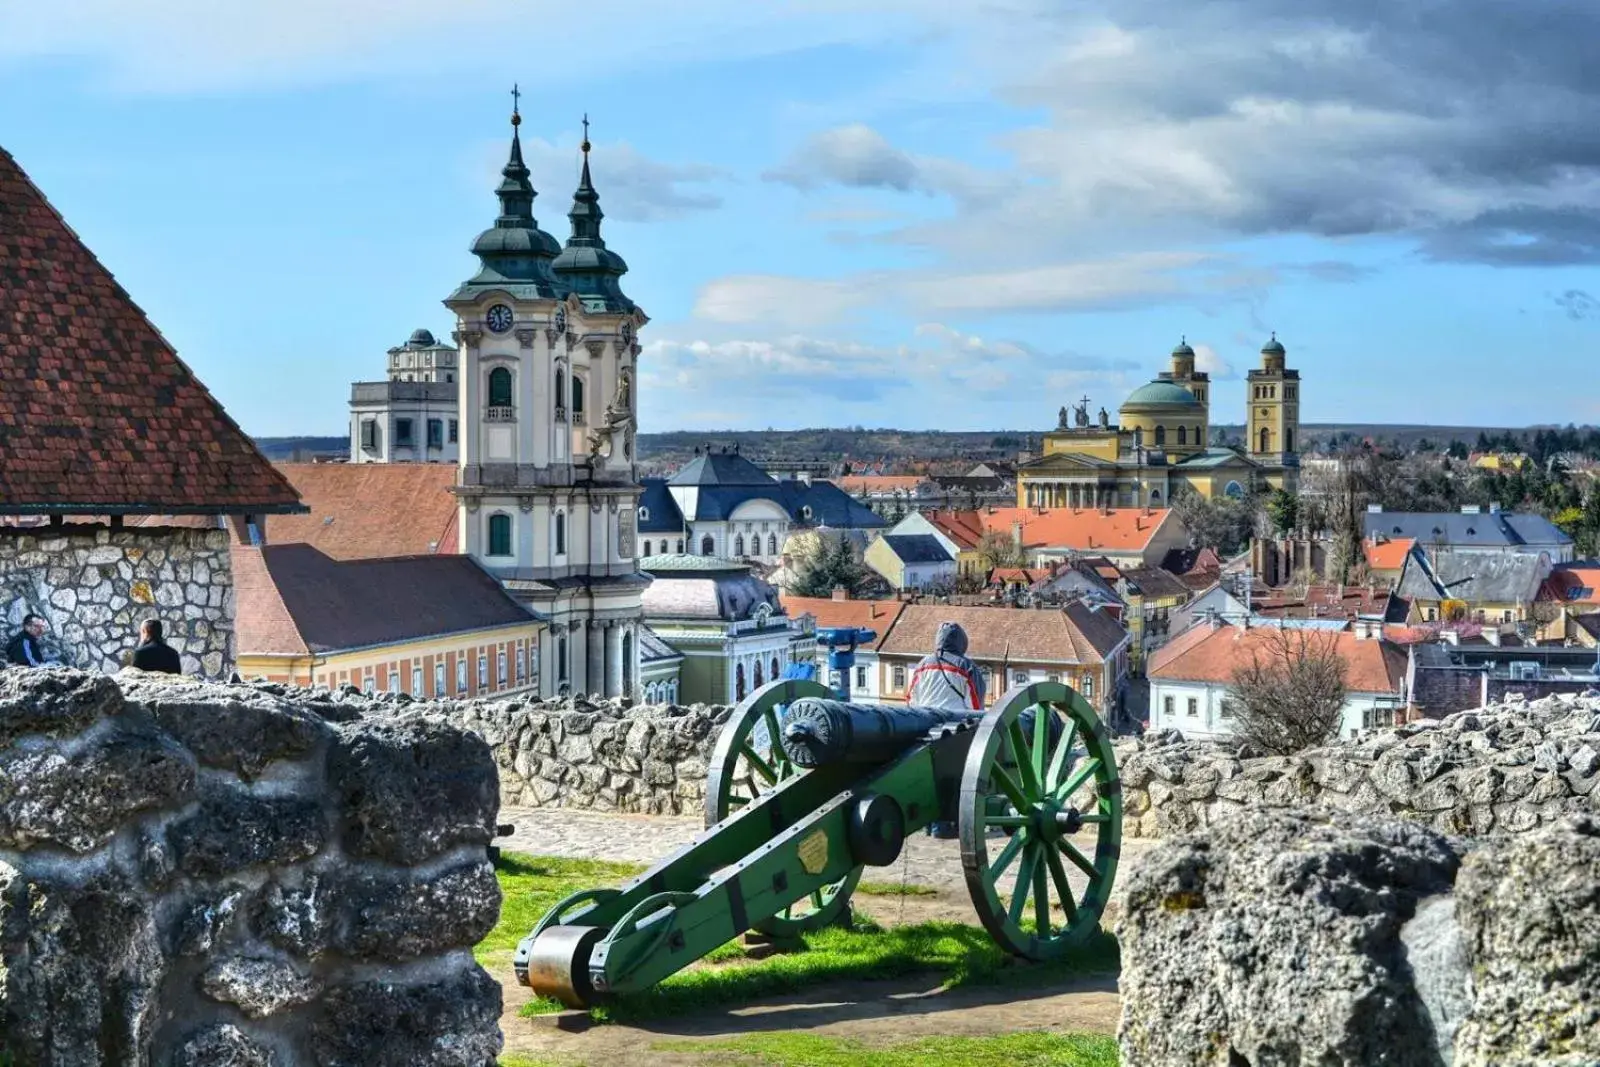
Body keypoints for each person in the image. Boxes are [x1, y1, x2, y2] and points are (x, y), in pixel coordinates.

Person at [907, 622, 985, 838]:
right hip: (955, 729)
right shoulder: (966, 666)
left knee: (929, 776)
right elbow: (976, 706)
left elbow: (912, 698)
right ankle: (946, 825)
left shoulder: (923, 664)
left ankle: (928, 823)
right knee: (955, 778)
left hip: (924, 728)